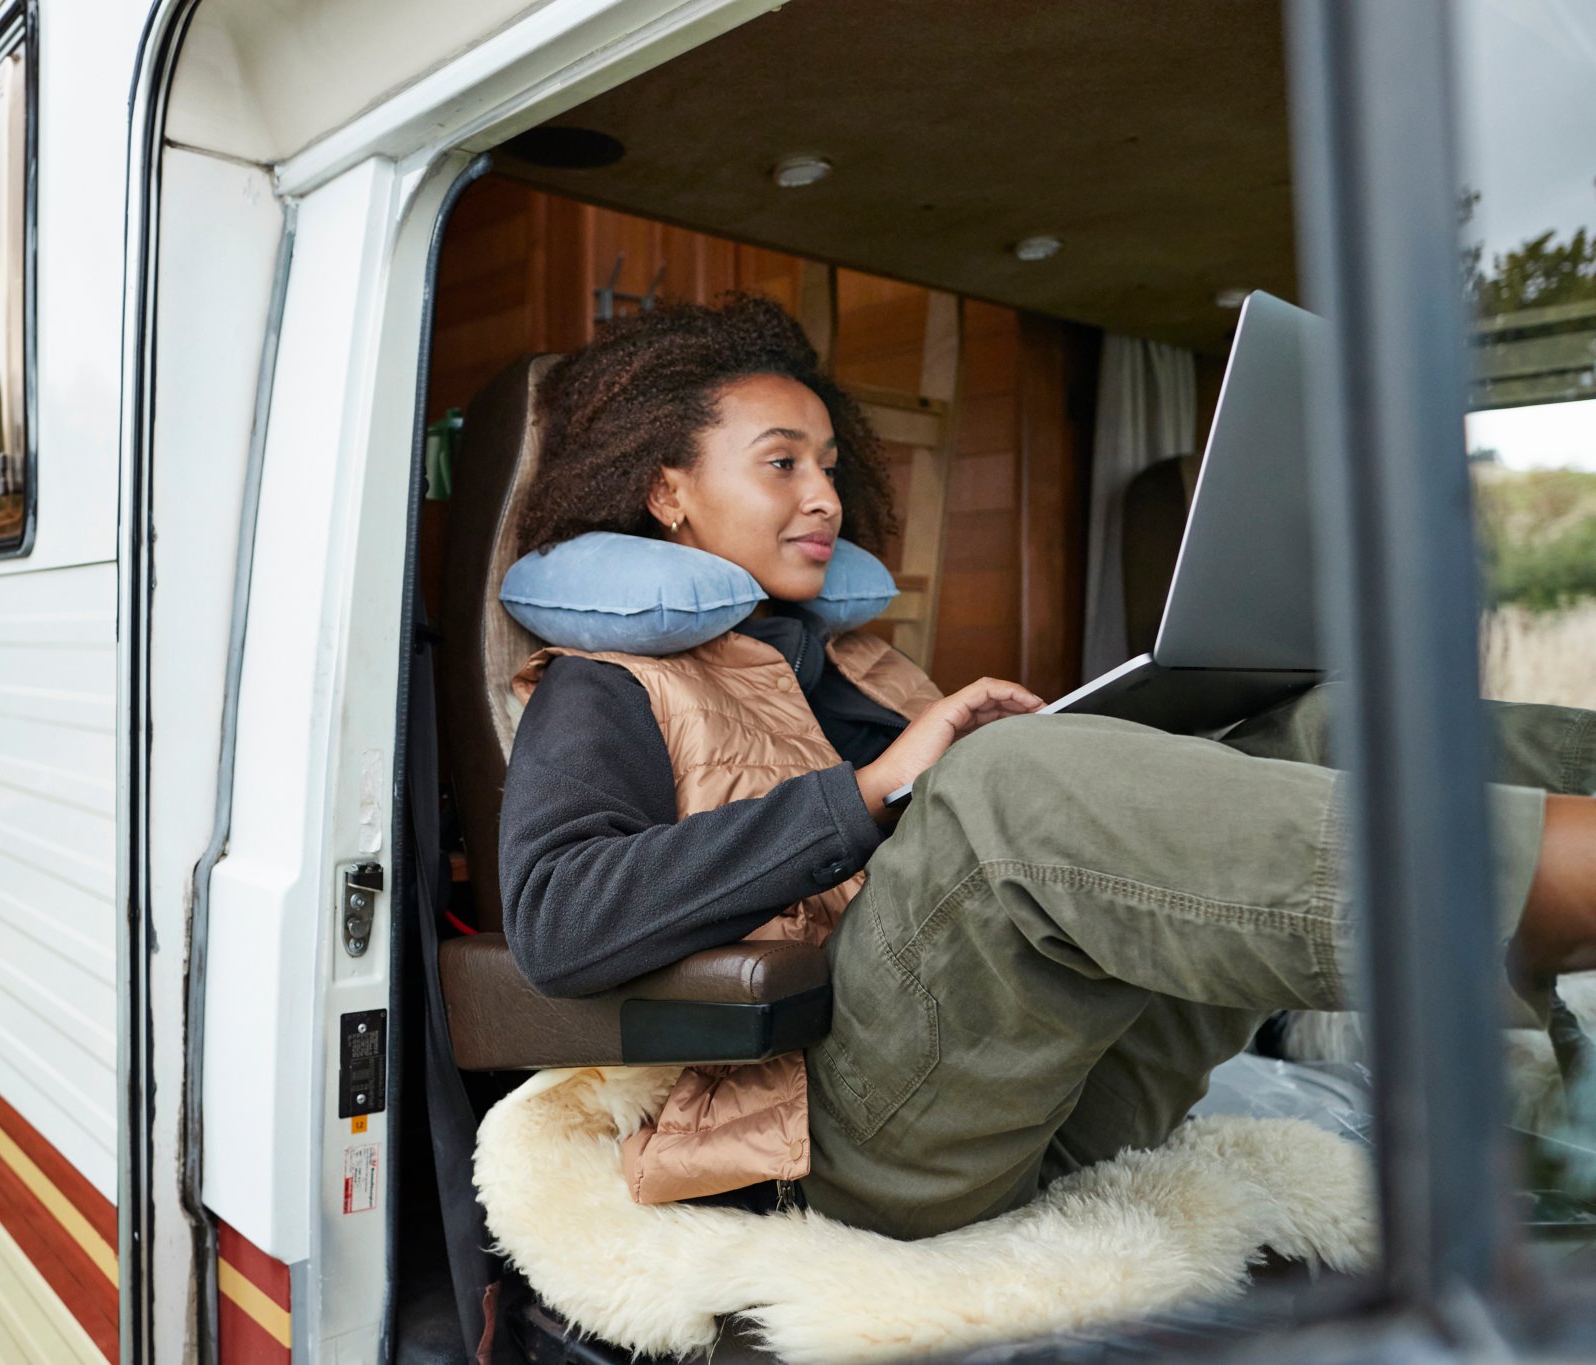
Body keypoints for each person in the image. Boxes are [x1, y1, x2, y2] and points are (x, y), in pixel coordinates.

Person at [495, 293, 1596, 1241]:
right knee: (1002, 784)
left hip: (1043, 1096)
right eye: (781, 463)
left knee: (1322, 722)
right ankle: (1551, 882)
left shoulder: (859, 667)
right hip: (820, 1153)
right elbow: (556, 921)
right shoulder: (602, 684)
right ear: (666, 491)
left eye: (829, 465)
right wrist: (876, 792)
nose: (825, 496)